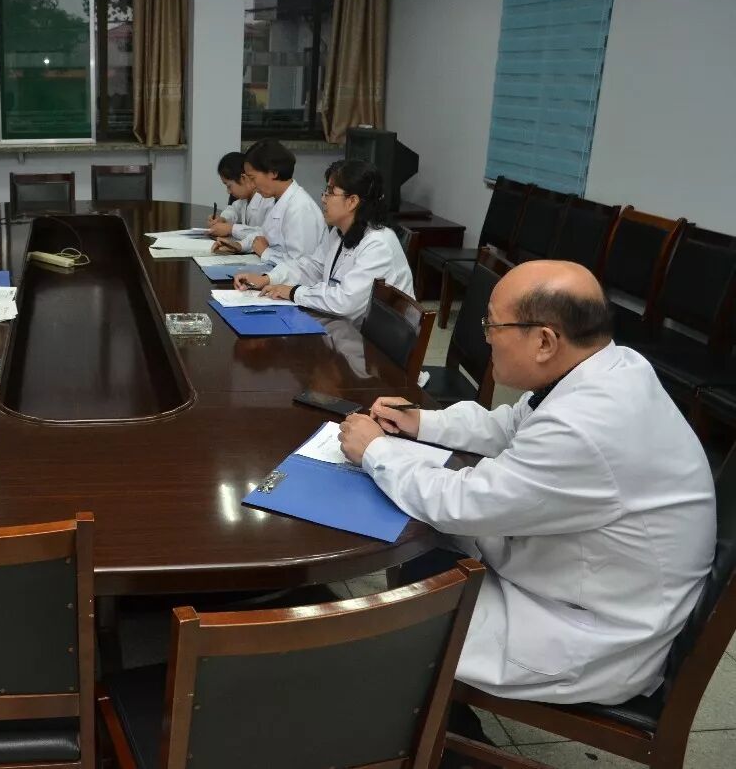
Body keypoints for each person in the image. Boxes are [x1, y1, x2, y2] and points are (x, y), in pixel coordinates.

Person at [338, 260, 716, 707]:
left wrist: (375, 451)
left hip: (588, 634)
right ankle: (435, 710)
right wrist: (420, 422)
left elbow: (463, 504)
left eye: (492, 325)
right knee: (424, 551)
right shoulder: (607, 366)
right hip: (579, 582)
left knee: (381, 631)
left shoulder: (586, 426)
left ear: (544, 341)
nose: (485, 337)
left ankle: (429, 724)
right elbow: (511, 425)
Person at [243, 159, 414, 325]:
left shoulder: (378, 244)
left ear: (352, 201)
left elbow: (346, 302)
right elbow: (313, 267)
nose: (324, 199)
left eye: (330, 192)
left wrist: (294, 292)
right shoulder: (339, 232)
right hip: (343, 326)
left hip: (371, 339)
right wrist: (269, 278)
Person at [230, 139, 327, 288]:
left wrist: (266, 253)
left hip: (297, 288)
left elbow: (303, 269)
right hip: (277, 279)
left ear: (273, 173)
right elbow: (264, 235)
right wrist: (239, 245)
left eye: (252, 178)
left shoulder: (300, 208)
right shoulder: (278, 199)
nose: (252, 185)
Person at [208, 151, 271, 254]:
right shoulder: (244, 199)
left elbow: (266, 234)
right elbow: (233, 209)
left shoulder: (268, 200)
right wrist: (223, 219)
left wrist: (231, 229)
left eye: (229, 186)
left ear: (243, 178)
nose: (228, 191)